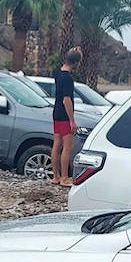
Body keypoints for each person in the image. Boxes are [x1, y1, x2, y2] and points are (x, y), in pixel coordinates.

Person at [51, 47, 83, 186]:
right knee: (67, 146)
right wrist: (72, 120)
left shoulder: (58, 74)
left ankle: (56, 176)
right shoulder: (68, 78)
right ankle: (64, 177)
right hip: (64, 115)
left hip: (56, 112)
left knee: (56, 144)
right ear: (76, 62)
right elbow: (67, 99)